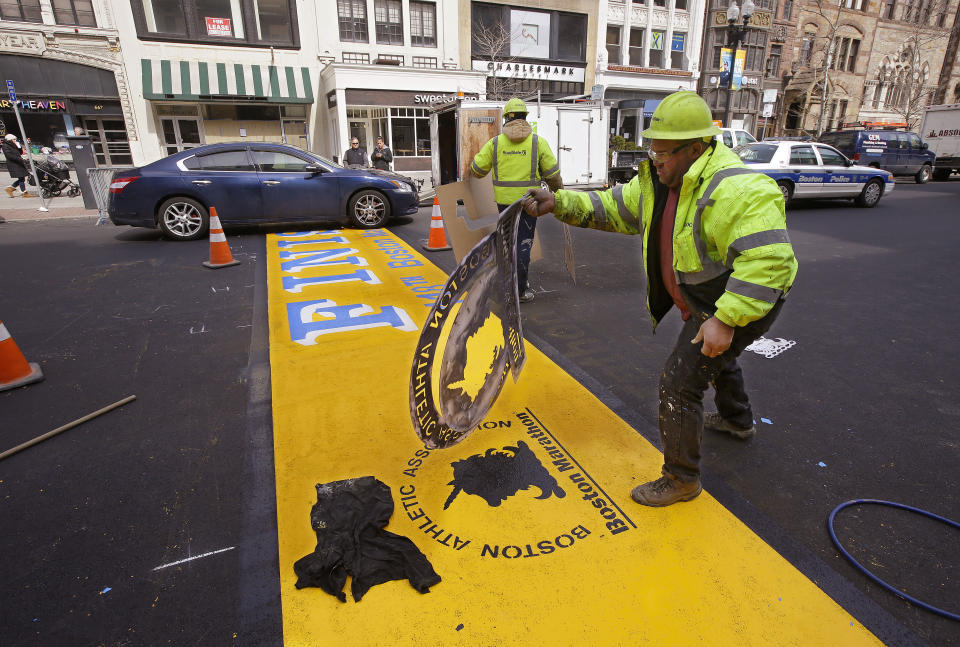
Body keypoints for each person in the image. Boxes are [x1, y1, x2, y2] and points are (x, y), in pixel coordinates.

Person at [521, 91, 797, 507]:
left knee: (679, 383)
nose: (655, 158)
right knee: (715, 357)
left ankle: (682, 478)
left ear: (697, 148)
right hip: (708, 297)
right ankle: (737, 420)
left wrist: (725, 319)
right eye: (653, 148)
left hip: (739, 299)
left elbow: (770, 261)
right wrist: (558, 202)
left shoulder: (739, 189)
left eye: (665, 151)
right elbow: (614, 207)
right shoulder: (659, 181)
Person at [470, 97, 563, 303]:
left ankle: (508, 284)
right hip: (530, 204)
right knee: (523, 244)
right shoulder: (538, 142)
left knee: (507, 244)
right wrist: (560, 193)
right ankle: (519, 290)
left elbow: (476, 171)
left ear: (506, 119)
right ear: (525, 117)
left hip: (505, 205)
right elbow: (553, 175)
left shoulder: (495, 143)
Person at [3, 133, 32, 198]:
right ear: (9, 140)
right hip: (13, 164)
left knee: (22, 178)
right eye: (14, 139)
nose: (15, 140)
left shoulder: (13, 145)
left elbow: (20, 153)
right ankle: (24, 193)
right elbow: (9, 156)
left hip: (18, 163)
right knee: (21, 178)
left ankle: (11, 188)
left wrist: (19, 147)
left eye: (15, 139)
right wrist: (19, 159)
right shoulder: (5, 146)